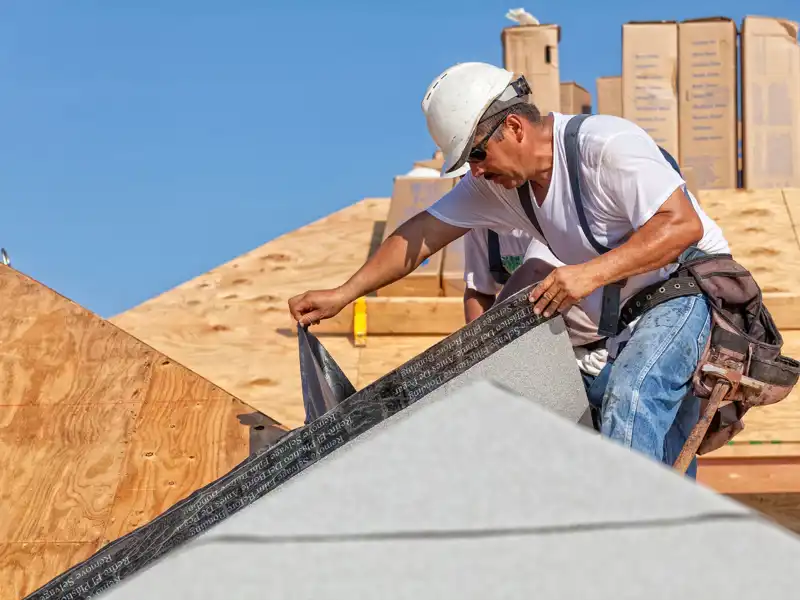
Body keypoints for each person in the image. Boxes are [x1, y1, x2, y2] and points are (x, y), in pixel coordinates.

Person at [288, 61, 731, 476]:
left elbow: (681, 226)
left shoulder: (605, 146)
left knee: (631, 398)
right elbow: (421, 234)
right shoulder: (497, 189)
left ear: (514, 128)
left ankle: (627, 548)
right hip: (619, 322)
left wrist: (590, 274)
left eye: (477, 156)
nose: (476, 172)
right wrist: (343, 295)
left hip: (685, 292)